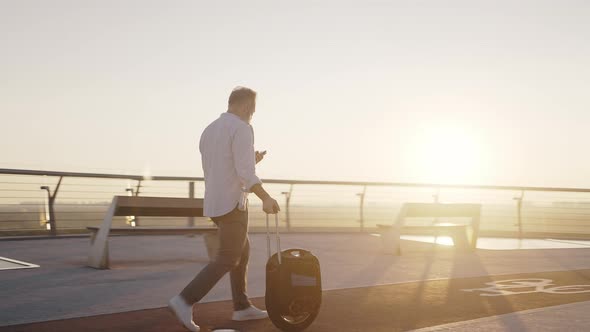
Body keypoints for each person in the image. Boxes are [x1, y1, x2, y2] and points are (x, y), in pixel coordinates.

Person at [168, 86, 281, 332]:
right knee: (229, 258)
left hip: (214, 203)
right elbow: (245, 173)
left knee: (243, 250)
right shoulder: (242, 128)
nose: (252, 113)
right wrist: (265, 197)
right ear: (244, 106)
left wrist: (252, 158)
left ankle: (241, 307)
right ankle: (185, 299)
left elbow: (223, 163)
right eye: (252, 109)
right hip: (233, 203)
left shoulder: (209, 130)